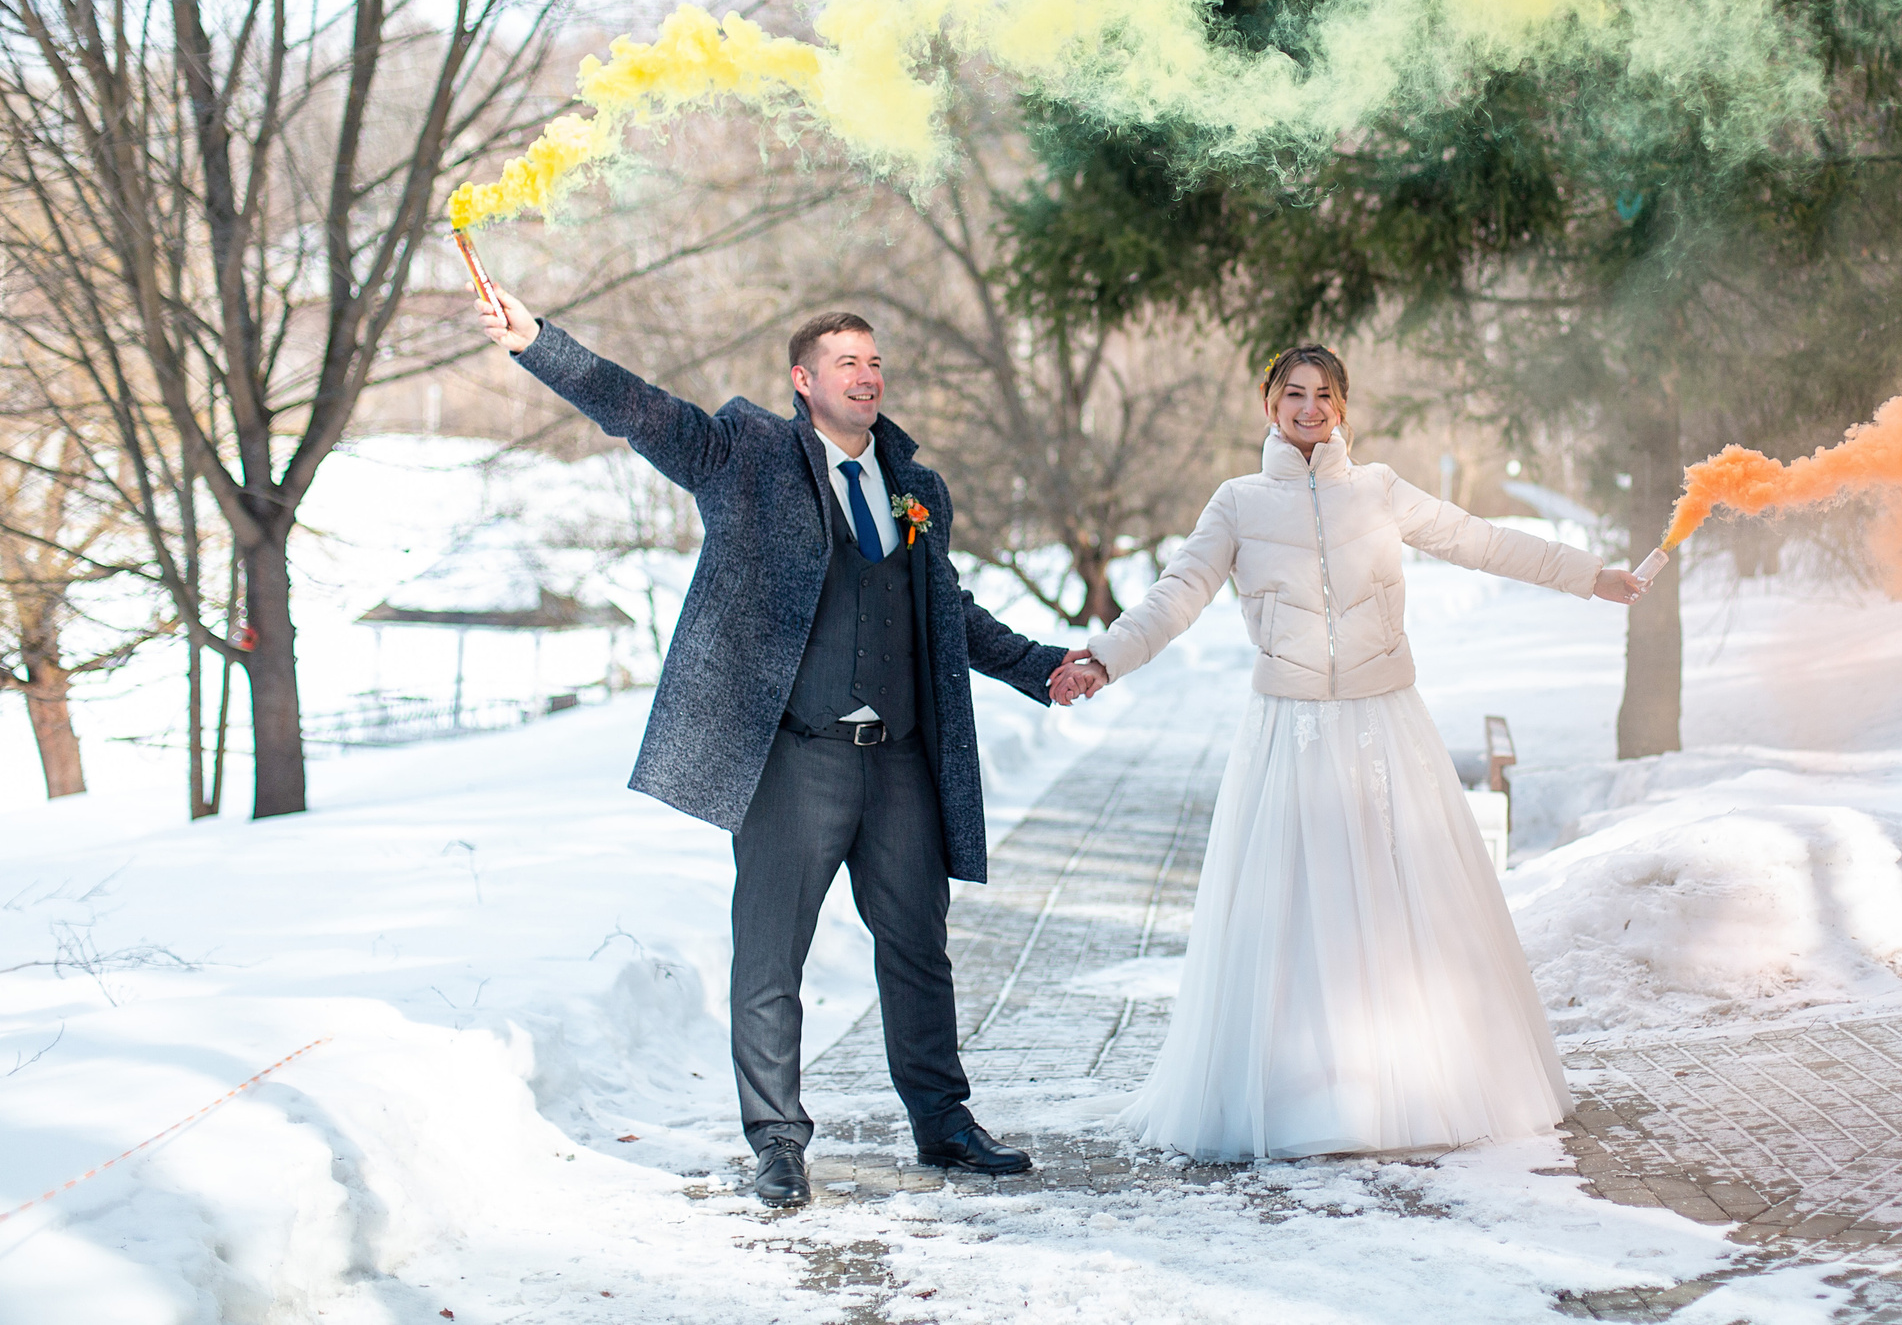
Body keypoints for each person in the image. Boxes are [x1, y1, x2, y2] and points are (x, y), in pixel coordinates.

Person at [477, 282, 1067, 1205]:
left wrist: (1044, 666)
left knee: (919, 946)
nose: (867, 376)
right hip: (796, 758)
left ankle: (944, 1124)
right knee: (770, 954)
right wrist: (538, 343)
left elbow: (942, 610)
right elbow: (643, 411)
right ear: (804, 380)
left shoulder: (917, 489)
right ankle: (778, 1140)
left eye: (875, 362)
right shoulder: (746, 455)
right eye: (847, 363)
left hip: (902, 756)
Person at [1046, 346, 1648, 1159]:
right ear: (1270, 404)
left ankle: (1413, 1080)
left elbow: (1481, 541)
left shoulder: (1380, 489)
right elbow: (1178, 592)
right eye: (1293, 394)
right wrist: (1107, 658)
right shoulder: (1237, 504)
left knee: (1400, 900)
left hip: (1383, 724)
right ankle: (1303, 1090)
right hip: (1288, 733)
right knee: (1299, 909)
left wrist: (1590, 575)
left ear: (1342, 407)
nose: (1308, 407)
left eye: (1323, 395)